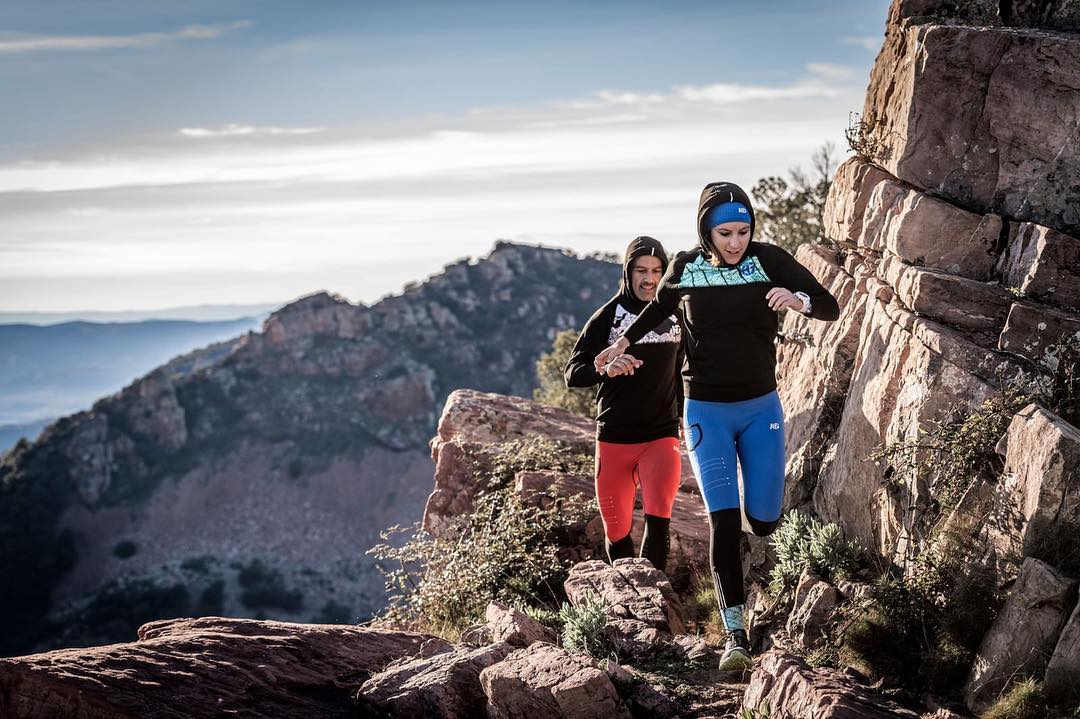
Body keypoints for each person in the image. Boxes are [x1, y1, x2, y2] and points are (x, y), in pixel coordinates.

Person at [593, 182, 840, 671]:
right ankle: (735, 635)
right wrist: (622, 344)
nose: (735, 241)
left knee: (765, 518)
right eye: (725, 232)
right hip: (706, 411)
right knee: (723, 522)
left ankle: (758, 553)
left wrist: (796, 300)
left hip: (761, 408)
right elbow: (657, 310)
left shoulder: (769, 260)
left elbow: (829, 305)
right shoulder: (686, 267)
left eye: (743, 230)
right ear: (706, 231)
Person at [565, 236, 684, 574]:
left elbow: (680, 373)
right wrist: (605, 370)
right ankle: (627, 603)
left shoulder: (676, 316)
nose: (649, 279)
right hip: (615, 437)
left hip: (661, 435)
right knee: (617, 531)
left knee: (658, 519)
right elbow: (573, 373)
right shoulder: (608, 316)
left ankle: (656, 604)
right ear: (628, 272)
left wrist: (684, 418)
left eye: (658, 271)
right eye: (642, 270)